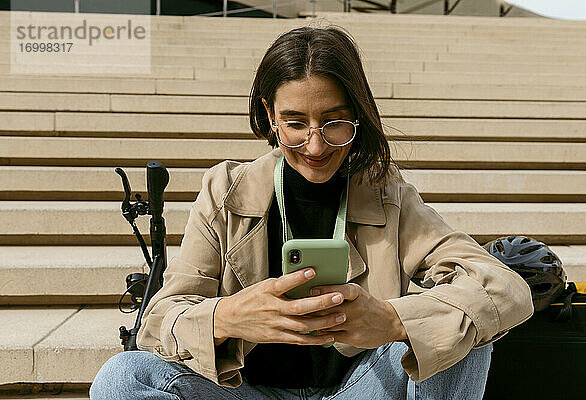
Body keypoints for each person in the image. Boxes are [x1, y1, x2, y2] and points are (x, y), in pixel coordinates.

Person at [90, 26, 534, 399]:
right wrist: (227, 316)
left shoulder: (387, 194)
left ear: (357, 116)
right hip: (246, 389)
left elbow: (502, 288)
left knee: (459, 334)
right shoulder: (225, 190)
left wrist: (394, 320)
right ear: (270, 115)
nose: (317, 145)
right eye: (296, 123)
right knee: (122, 377)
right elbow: (160, 321)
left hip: (361, 388)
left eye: (334, 121)